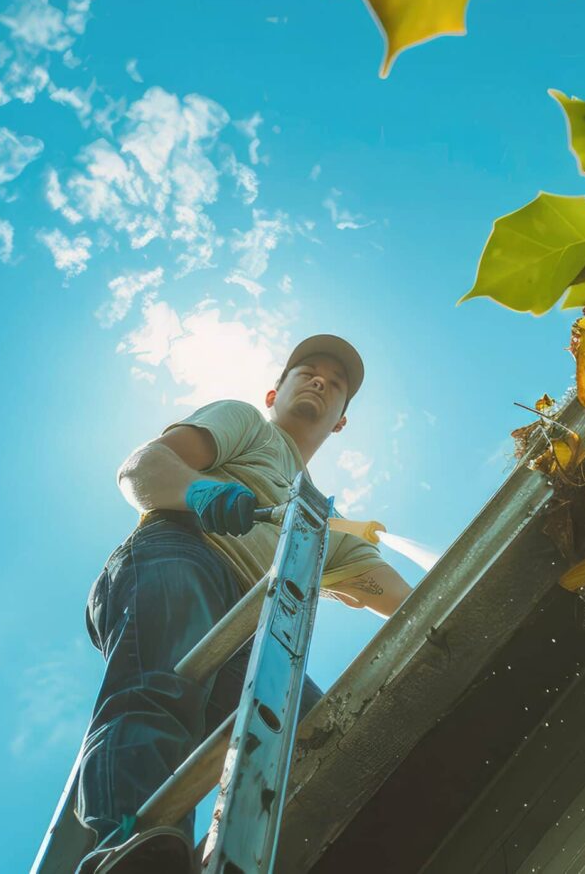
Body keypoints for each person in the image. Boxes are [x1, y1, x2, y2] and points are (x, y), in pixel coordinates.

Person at [75, 334, 413, 874]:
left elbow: (408, 601)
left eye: (337, 382)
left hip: (258, 623)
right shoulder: (243, 423)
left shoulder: (322, 520)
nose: (321, 380)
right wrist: (199, 493)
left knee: (324, 738)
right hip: (181, 552)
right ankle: (130, 850)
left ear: (342, 420)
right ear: (273, 391)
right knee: (162, 688)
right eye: (307, 370)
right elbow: (142, 468)